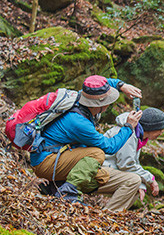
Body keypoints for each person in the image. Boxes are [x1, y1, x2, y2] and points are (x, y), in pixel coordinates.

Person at [29, 75, 144, 211]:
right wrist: (128, 127)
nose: (109, 104)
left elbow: (98, 85)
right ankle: (67, 193)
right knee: (97, 153)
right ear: (99, 104)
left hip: (64, 160)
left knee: (132, 181)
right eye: (108, 101)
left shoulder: (80, 98)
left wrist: (121, 85)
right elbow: (110, 147)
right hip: (46, 163)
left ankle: (107, 216)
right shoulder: (78, 122)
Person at [103, 107, 164, 201]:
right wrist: (151, 179)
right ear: (151, 127)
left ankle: (115, 210)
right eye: (160, 129)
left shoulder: (138, 135)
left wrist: (142, 184)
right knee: (135, 182)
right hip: (100, 170)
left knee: (138, 187)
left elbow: (132, 163)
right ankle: (110, 210)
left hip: (110, 170)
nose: (161, 132)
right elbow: (126, 165)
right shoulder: (129, 134)